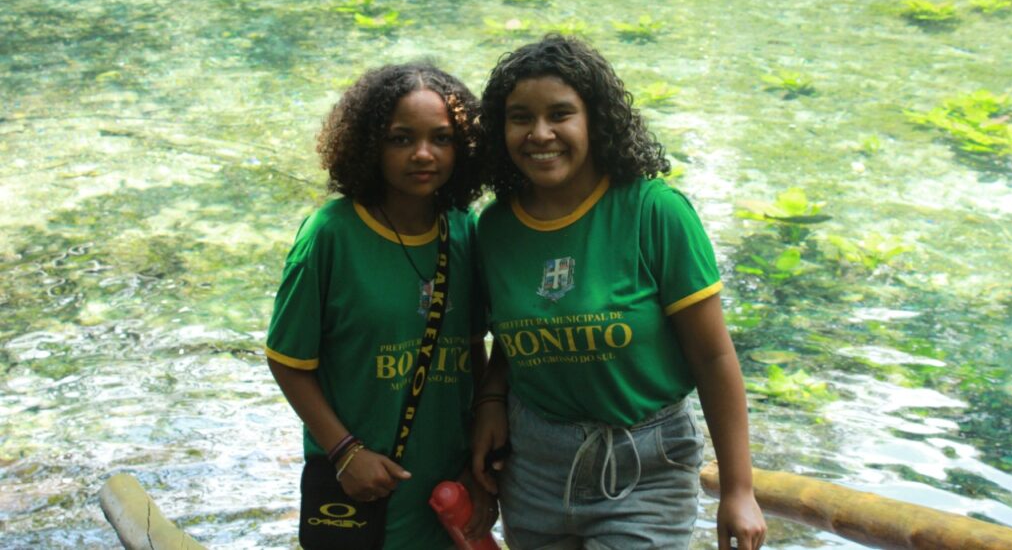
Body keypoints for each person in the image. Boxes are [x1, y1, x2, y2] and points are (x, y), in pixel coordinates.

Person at [470, 35, 767, 550]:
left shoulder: (655, 213)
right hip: (533, 468)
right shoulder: (495, 228)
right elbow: (514, 337)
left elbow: (714, 357)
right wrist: (493, 400)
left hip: (645, 466)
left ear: (595, 120)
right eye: (521, 117)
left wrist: (738, 490)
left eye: (560, 114)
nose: (540, 134)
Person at [266, 63, 497, 549]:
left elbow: (474, 348)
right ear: (370, 144)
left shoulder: (463, 229)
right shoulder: (331, 234)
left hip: (445, 486)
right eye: (400, 139)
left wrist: (477, 464)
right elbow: (288, 360)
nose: (423, 154)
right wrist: (345, 452)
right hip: (360, 484)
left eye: (441, 138)